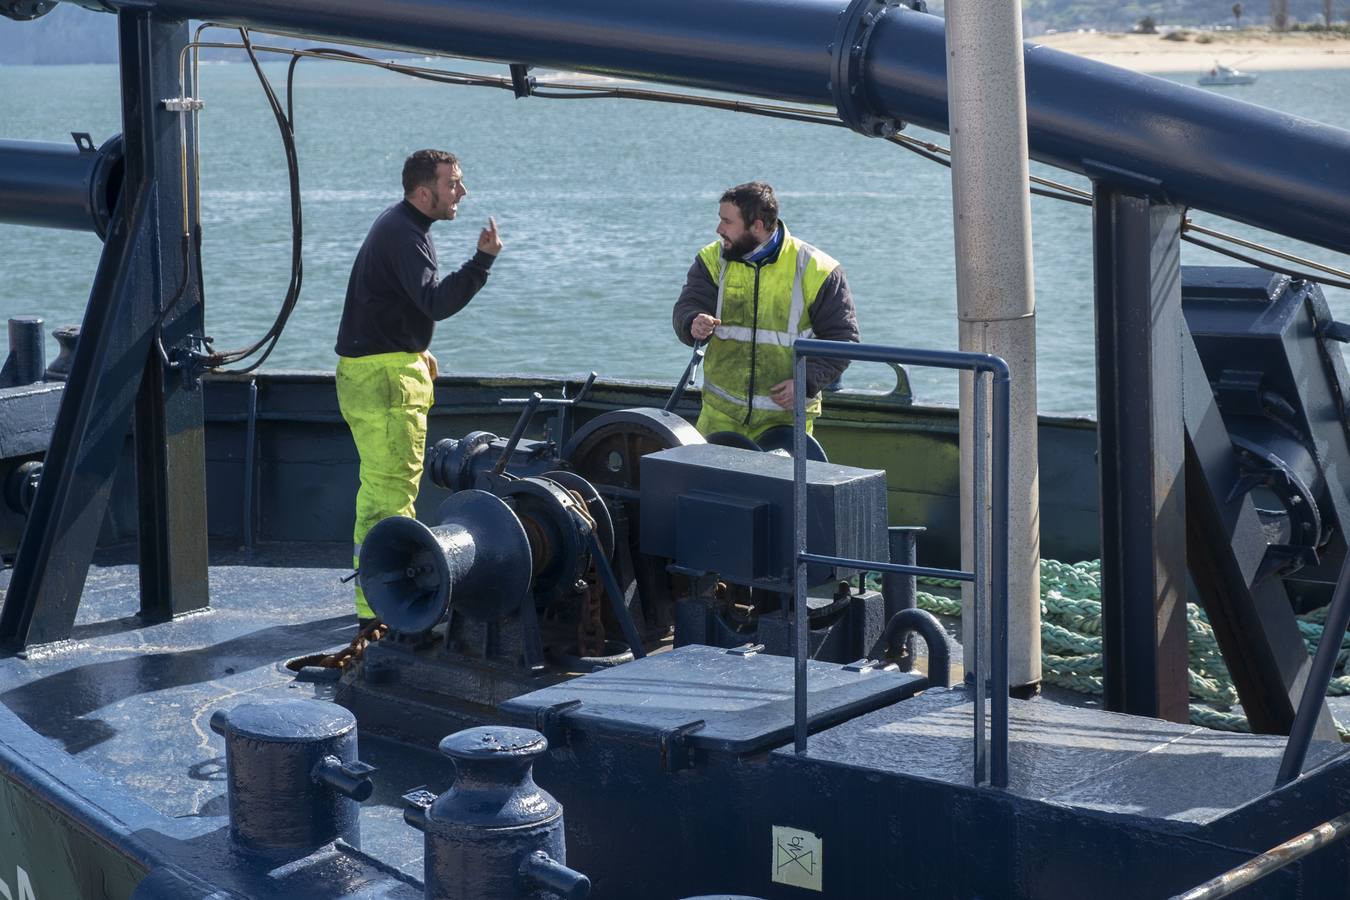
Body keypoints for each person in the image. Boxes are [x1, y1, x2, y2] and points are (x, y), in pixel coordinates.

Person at [334, 149, 503, 623]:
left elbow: (383, 301)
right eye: (454, 184)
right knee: (391, 498)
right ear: (424, 192)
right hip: (386, 383)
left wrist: (411, 346)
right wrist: (481, 263)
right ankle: (381, 607)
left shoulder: (396, 225)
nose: (462, 192)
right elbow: (435, 301)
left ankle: (374, 595)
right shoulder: (406, 235)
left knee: (377, 491)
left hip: (371, 369)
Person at [672, 181, 858, 440]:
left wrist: (805, 383)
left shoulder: (819, 269)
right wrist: (692, 322)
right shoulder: (711, 259)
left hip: (786, 424)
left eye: (727, 222)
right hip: (720, 419)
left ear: (756, 225)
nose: (719, 229)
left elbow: (843, 340)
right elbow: (688, 305)